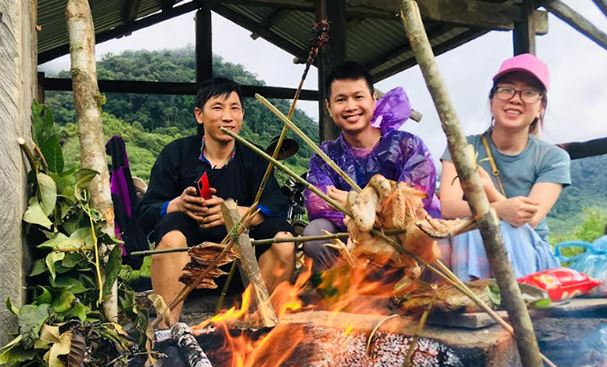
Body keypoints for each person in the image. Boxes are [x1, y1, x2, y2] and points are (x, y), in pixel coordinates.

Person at [136, 77, 295, 325]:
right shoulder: (175, 154)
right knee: (171, 234)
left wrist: (241, 214)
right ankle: (168, 329)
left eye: (235, 108)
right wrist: (176, 205)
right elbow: (145, 211)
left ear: (242, 114)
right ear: (199, 115)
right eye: (218, 108)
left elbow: (277, 203)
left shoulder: (256, 157)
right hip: (188, 271)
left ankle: (256, 323)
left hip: (240, 271)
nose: (228, 117)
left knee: (284, 238)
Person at [439, 54, 571, 281]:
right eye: (506, 89)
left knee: (500, 228)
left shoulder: (553, 157)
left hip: (530, 255)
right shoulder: (462, 147)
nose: (515, 99)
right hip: (469, 246)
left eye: (529, 93)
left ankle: (508, 300)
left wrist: (490, 194)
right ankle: (471, 300)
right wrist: (499, 210)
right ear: (492, 101)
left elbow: (529, 220)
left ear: (541, 107)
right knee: (464, 229)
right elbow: (448, 207)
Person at [303, 61, 441, 273]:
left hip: (406, 243)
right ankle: (340, 296)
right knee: (314, 233)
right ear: (329, 108)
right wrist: (369, 219)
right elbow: (317, 202)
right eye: (341, 99)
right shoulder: (325, 157)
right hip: (351, 244)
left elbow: (414, 200)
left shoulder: (408, 145)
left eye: (358, 97)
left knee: (431, 236)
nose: (350, 107)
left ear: (374, 99)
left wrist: (353, 204)